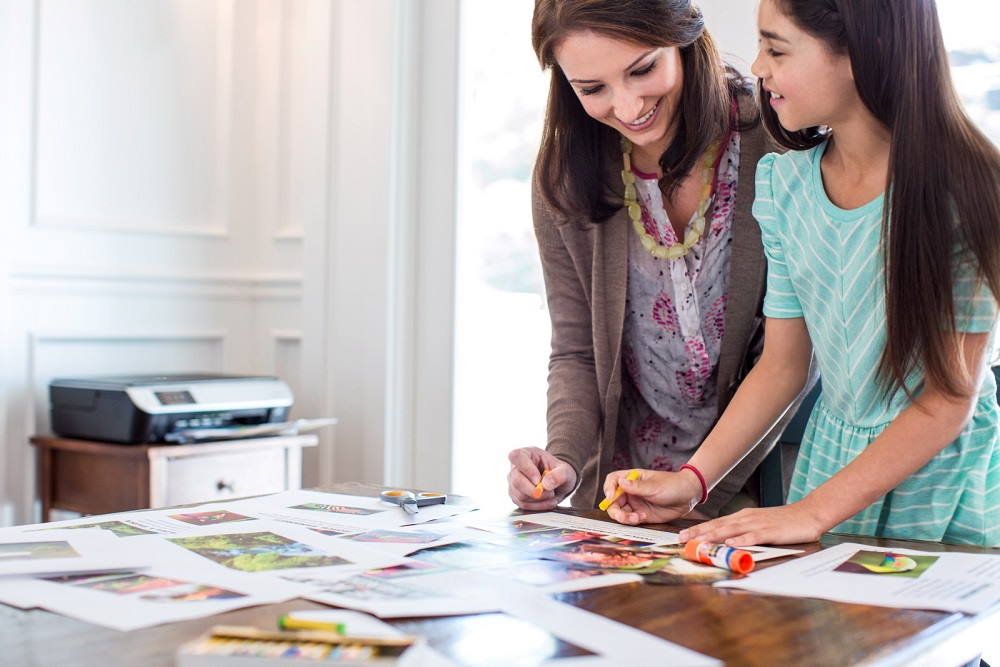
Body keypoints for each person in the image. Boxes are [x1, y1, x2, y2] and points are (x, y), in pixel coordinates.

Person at [605, 0, 1000, 546]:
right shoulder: (784, 185)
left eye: (776, 48)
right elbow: (783, 365)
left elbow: (947, 401)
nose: (759, 67)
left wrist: (813, 513)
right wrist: (692, 481)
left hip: (941, 489)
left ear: (862, 53)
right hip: (828, 475)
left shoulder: (975, 191)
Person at [507, 0, 816, 516]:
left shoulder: (777, 141)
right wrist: (560, 459)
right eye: (592, 89)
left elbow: (792, 358)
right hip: (622, 501)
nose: (628, 108)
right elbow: (577, 351)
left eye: (643, 69)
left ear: (686, 37)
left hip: (760, 490)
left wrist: (698, 488)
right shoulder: (565, 177)